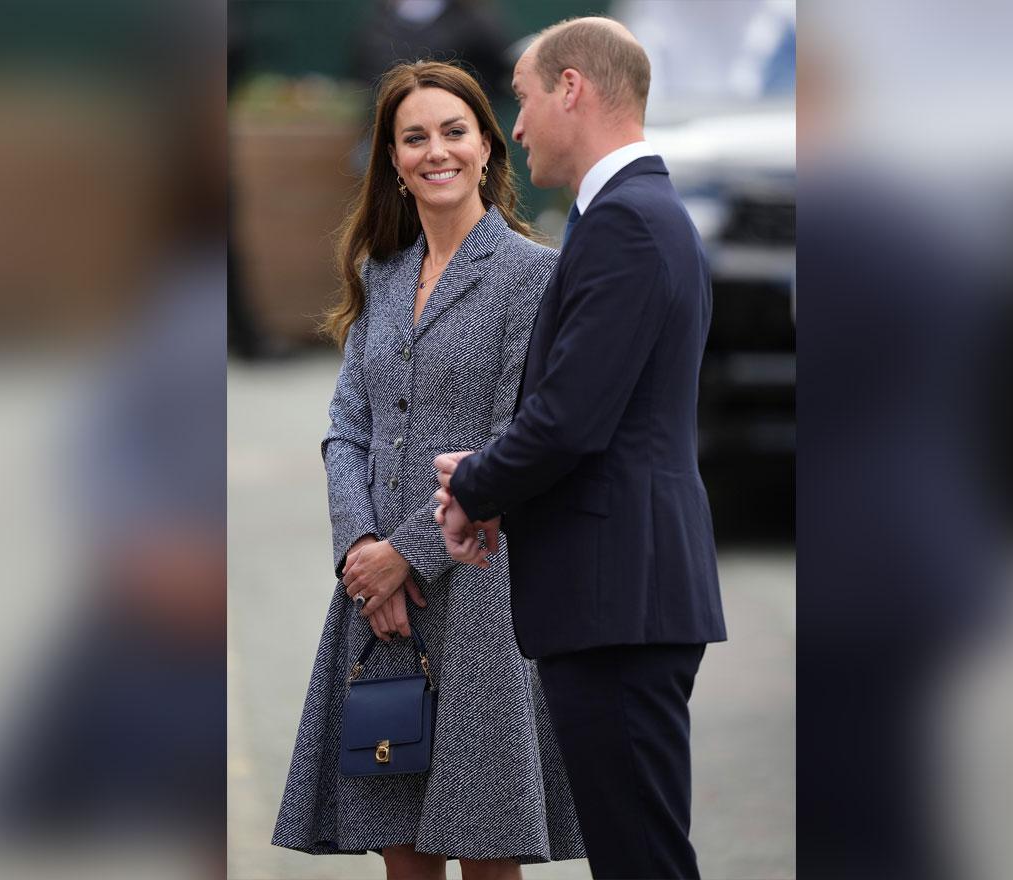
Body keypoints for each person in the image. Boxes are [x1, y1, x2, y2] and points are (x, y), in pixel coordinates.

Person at [271, 61, 584, 879]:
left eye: (454, 132)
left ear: (487, 147)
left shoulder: (532, 274)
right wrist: (360, 554)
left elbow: (518, 438)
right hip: (377, 601)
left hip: (480, 591)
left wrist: (404, 555)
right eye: (415, 137)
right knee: (401, 853)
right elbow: (346, 429)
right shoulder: (380, 274)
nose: (435, 151)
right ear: (393, 160)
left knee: (483, 851)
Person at [433, 18, 728, 880]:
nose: (513, 126)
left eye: (521, 98)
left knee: (641, 861)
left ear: (572, 88)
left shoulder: (628, 224)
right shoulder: (634, 217)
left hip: (620, 599)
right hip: (623, 592)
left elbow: (570, 418)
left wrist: (476, 482)